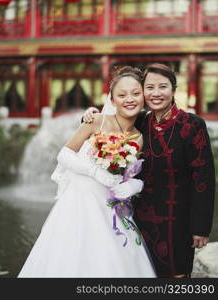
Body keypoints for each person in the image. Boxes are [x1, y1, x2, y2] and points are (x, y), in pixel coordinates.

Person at [17, 66, 156, 278]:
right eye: (122, 94)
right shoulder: (96, 121)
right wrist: (94, 171)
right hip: (79, 199)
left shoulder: (138, 136)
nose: (130, 99)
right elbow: (64, 154)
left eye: (136, 93)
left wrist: (130, 184)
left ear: (144, 97)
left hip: (109, 204)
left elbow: (129, 173)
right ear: (112, 98)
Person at [82, 63, 216, 278]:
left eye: (162, 87)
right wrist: (89, 114)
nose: (155, 93)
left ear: (173, 89)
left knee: (177, 275)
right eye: (149, 87)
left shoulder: (192, 125)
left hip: (177, 220)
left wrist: (201, 227)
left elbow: (204, 179)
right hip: (141, 217)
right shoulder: (141, 121)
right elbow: (109, 123)